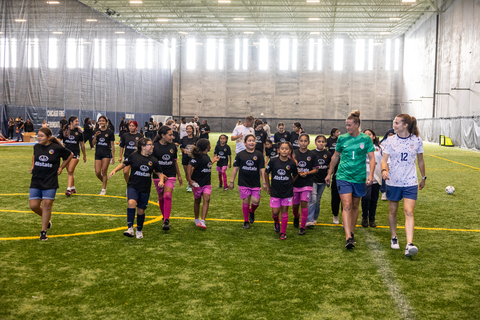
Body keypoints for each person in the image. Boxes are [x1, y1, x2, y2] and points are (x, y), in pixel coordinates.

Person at [325, 111, 375, 249]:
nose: (347, 128)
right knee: (346, 205)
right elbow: (335, 156)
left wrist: (371, 174)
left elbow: (372, 158)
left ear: (357, 125)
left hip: (359, 178)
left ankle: (352, 232)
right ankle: (348, 237)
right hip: (343, 176)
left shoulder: (366, 139)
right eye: (346, 125)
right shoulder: (342, 139)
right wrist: (329, 173)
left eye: (349, 125)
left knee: (354, 206)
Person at [381, 114, 426, 257]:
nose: (394, 125)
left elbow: (420, 161)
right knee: (393, 211)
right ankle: (394, 237)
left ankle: (409, 244)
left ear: (405, 125)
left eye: (396, 123)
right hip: (393, 181)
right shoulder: (390, 140)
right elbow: (384, 160)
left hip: (410, 182)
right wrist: (383, 170)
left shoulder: (417, 140)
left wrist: (423, 177)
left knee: (409, 212)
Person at [109, 138, 164, 239]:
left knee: (141, 211)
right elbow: (124, 163)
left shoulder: (153, 160)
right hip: (133, 185)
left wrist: (161, 181)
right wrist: (114, 170)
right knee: (131, 203)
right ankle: (130, 229)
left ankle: (139, 230)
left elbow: (160, 172)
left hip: (145, 188)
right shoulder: (134, 156)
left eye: (152, 145)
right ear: (143, 147)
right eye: (149, 145)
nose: (152, 146)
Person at [29, 127, 73, 240]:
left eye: (41, 136)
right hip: (36, 179)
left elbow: (70, 155)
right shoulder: (36, 147)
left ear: (49, 138)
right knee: (33, 206)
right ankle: (47, 219)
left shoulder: (56, 147)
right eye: (38, 136)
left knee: (47, 204)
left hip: (50, 179)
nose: (39, 138)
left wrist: (62, 167)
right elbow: (35, 156)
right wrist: (33, 166)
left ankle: (43, 231)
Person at [229, 134, 266, 229]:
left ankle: (252, 211)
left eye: (253, 141)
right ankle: (246, 221)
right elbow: (235, 169)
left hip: (255, 183)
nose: (251, 142)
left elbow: (262, 169)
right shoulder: (240, 154)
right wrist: (231, 181)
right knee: (246, 200)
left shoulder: (259, 155)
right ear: (245, 143)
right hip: (243, 182)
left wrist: (264, 182)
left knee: (256, 201)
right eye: (249, 141)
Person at [264, 141, 298, 240]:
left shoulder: (291, 163)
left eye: (286, 149)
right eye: (282, 148)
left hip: (287, 191)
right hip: (275, 190)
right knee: (275, 212)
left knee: (284, 211)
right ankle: (276, 221)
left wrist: (291, 182)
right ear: (278, 150)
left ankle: (283, 232)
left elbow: (295, 174)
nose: (284, 150)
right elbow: (266, 173)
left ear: (290, 151)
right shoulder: (273, 161)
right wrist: (268, 186)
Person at [152, 126, 183, 231]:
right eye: (169, 135)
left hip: (170, 174)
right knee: (160, 197)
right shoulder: (154, 146)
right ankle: (164, 217)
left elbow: (174, 162)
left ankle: (166, 220)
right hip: (157, 175)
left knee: (167, 195)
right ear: (162, 135)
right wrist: (160, 174)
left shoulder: (173, 146)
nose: (172, 137)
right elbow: (151, 165)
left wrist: (179, 175)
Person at [186, 138, 219, 229]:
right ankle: (197, 219)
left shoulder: (206, 156)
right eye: (209, 145)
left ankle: (203, 221)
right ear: (207, 146)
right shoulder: (198, 157)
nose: (210, 146)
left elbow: (206, 165)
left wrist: (213, 161)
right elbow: (189, 168)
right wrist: (190, 180)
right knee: (197, 200)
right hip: (197, 184)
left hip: (207, 183)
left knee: (207, 199)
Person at [292, 134, 319, 235]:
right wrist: (297, 172)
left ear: (308, 142)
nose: (303, 143)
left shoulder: (312, 155)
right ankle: (296, 216)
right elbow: (289, 167)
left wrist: (307, 173)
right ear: (298, 142)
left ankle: (302, 227)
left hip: (307, 183)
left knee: (304, 204)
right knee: (295, 206)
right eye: (301, 141)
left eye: (305, 141)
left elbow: (316, 169)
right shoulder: (294, 154)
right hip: (295, 183)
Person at [307, 135, 331, 227]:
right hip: (313, 180)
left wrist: (328, 175)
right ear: (315, 142)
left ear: (325, 143)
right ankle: (309, 220)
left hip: (323, 180)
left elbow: (329, 166)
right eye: (319, 141)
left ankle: (315, 218)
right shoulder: (311, 153)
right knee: (312, 199)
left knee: (317, 200)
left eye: (323, 142)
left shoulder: (328, 154)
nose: (321, 143)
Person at [59, 116, 86, 196]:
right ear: (71, 122)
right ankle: (73, 188)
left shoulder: (79, 131)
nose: (77, 123)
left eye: (78, 121)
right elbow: (57, 140)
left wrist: (84, 155)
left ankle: (68, 189)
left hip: (75, 154)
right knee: (70, 172)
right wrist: (61, 145)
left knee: (70, 171)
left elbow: (82, 144)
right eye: (76, 121)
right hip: (66, 154)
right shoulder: (64, 130)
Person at [361, 129, 383, 228]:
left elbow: (384, 161)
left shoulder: (380, 148)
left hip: (377, 176)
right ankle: (364, 217)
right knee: (366, 197)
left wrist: (385, 171)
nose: (367, 136)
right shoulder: (360, 147)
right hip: (364, 177)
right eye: (365, 134)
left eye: (369, 134)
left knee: (374, 199)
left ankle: (372, 219)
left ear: (373, 136)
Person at [92, 116, 115, 195]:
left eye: (103, 121)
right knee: (97, 172)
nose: (102, 122)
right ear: (98, 122)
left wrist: (113, 157)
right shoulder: (96, 131)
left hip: (106, 153)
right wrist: (95, 136)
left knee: (104, 171)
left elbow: (112, 145)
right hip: (98, 153)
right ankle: (104, 182)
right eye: (100, 121)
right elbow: (93, 143)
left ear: (106, 122)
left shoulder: (110, 132)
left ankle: (103, 189)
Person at [326, 127, 341, 224]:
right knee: (335, 196)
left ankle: (345, 217)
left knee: (347, 198)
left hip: (348, 175)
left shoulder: (340, 140)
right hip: (335, 170)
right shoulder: (329, 141)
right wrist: (329, 172)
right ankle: (335, 215)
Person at [380, 128, 395, 200]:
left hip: (394, 163)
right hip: (385, 161)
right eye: (389, 134)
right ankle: (384, 192)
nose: (390, 136)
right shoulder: (383, 143)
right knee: (384, 176)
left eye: (392, 135)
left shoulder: (397, 142)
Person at [181, 125, 197, 192]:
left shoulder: (196, 138)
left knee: (191, 172)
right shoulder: (184, 138)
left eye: (190, 129)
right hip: (185, 157)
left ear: (192, 130)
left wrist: (193, 150)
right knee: (186, 172)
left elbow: (198, 148)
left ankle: (190, 185)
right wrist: (184, 150)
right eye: (187, 129)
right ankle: (189, 183)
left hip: (193, 158)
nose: (188, 130)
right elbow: (181, 147)